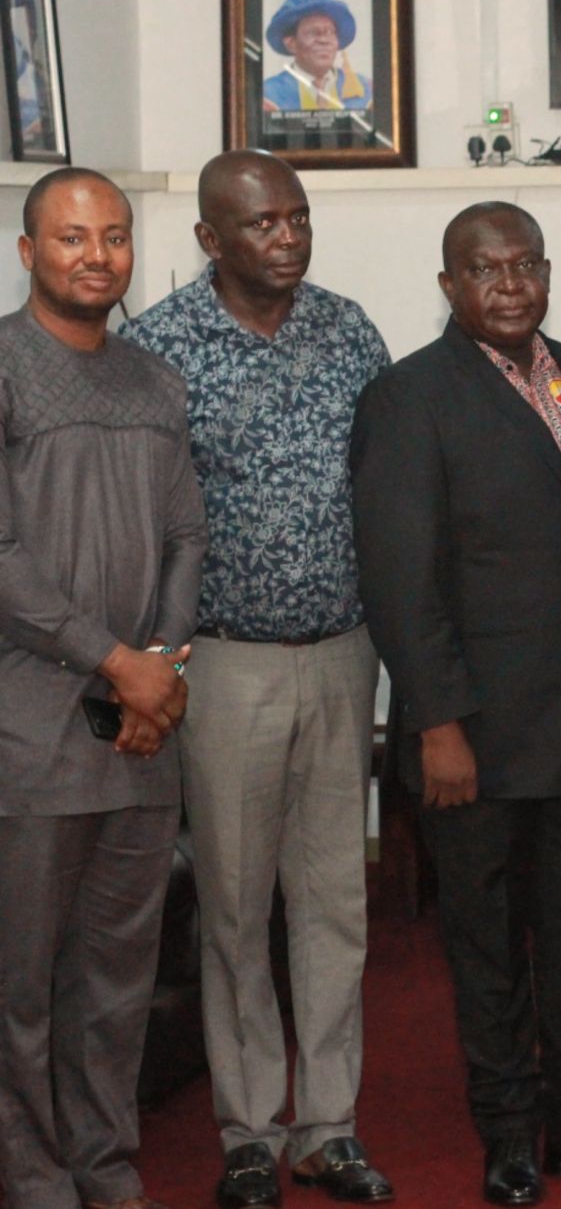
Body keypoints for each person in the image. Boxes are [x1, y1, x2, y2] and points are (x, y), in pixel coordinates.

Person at [349, 203, 561, 1206]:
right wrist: (435, 720)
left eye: (526, 263)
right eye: (486, 269)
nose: (511, 283)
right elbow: (401, 579)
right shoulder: (411, 396)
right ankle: (506, 1130)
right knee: (486, 945)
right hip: (472, 735)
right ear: (449, 284)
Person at [120, 151, 394, 1208]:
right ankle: (249, 1129)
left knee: (334, 903)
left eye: (298, 217)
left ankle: (329, 1127)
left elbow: (386, 483)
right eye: (263, 223)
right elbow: (143, 517)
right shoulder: (160, 349)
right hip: (223, 660)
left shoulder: (349, 329)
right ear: (209, 239)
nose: (288, 237)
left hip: (342, 650)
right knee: (235, 907)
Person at [0, 167, 205, 1209]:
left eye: (115, 236)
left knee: (115, 982)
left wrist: (159, 663)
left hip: (142, 728)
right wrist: (110, 657)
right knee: (22, 983)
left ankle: (104, 1168)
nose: (98, 255)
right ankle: (34, 1181)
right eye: (73, 236)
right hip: (30, 724)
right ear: (30, 251)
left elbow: (183, 532)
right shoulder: (2, 366)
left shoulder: (155, 379)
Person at [261, 0, 371, 114]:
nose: (324, 40)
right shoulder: (269, 94)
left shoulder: (366, 90)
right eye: (312, 32)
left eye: (330, 32)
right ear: (291, 43)